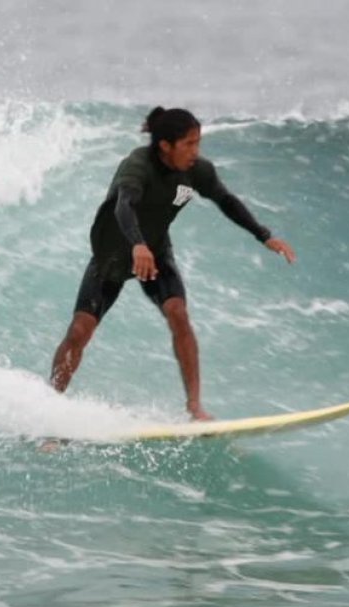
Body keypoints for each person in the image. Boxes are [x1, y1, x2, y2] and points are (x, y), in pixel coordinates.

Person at [50, 107, 296, 421]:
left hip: (155, 252)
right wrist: (136, 244)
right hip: (112, 254)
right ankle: (52, 406)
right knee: (79, 330)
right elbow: (124, 205)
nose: (196, 151)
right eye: (189, 144)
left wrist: (264, 236)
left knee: (178, 313)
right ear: (166, 145)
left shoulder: (197, 171)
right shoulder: (138, 165)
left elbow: (226, 200)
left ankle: (195, 407)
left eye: (198, 143)